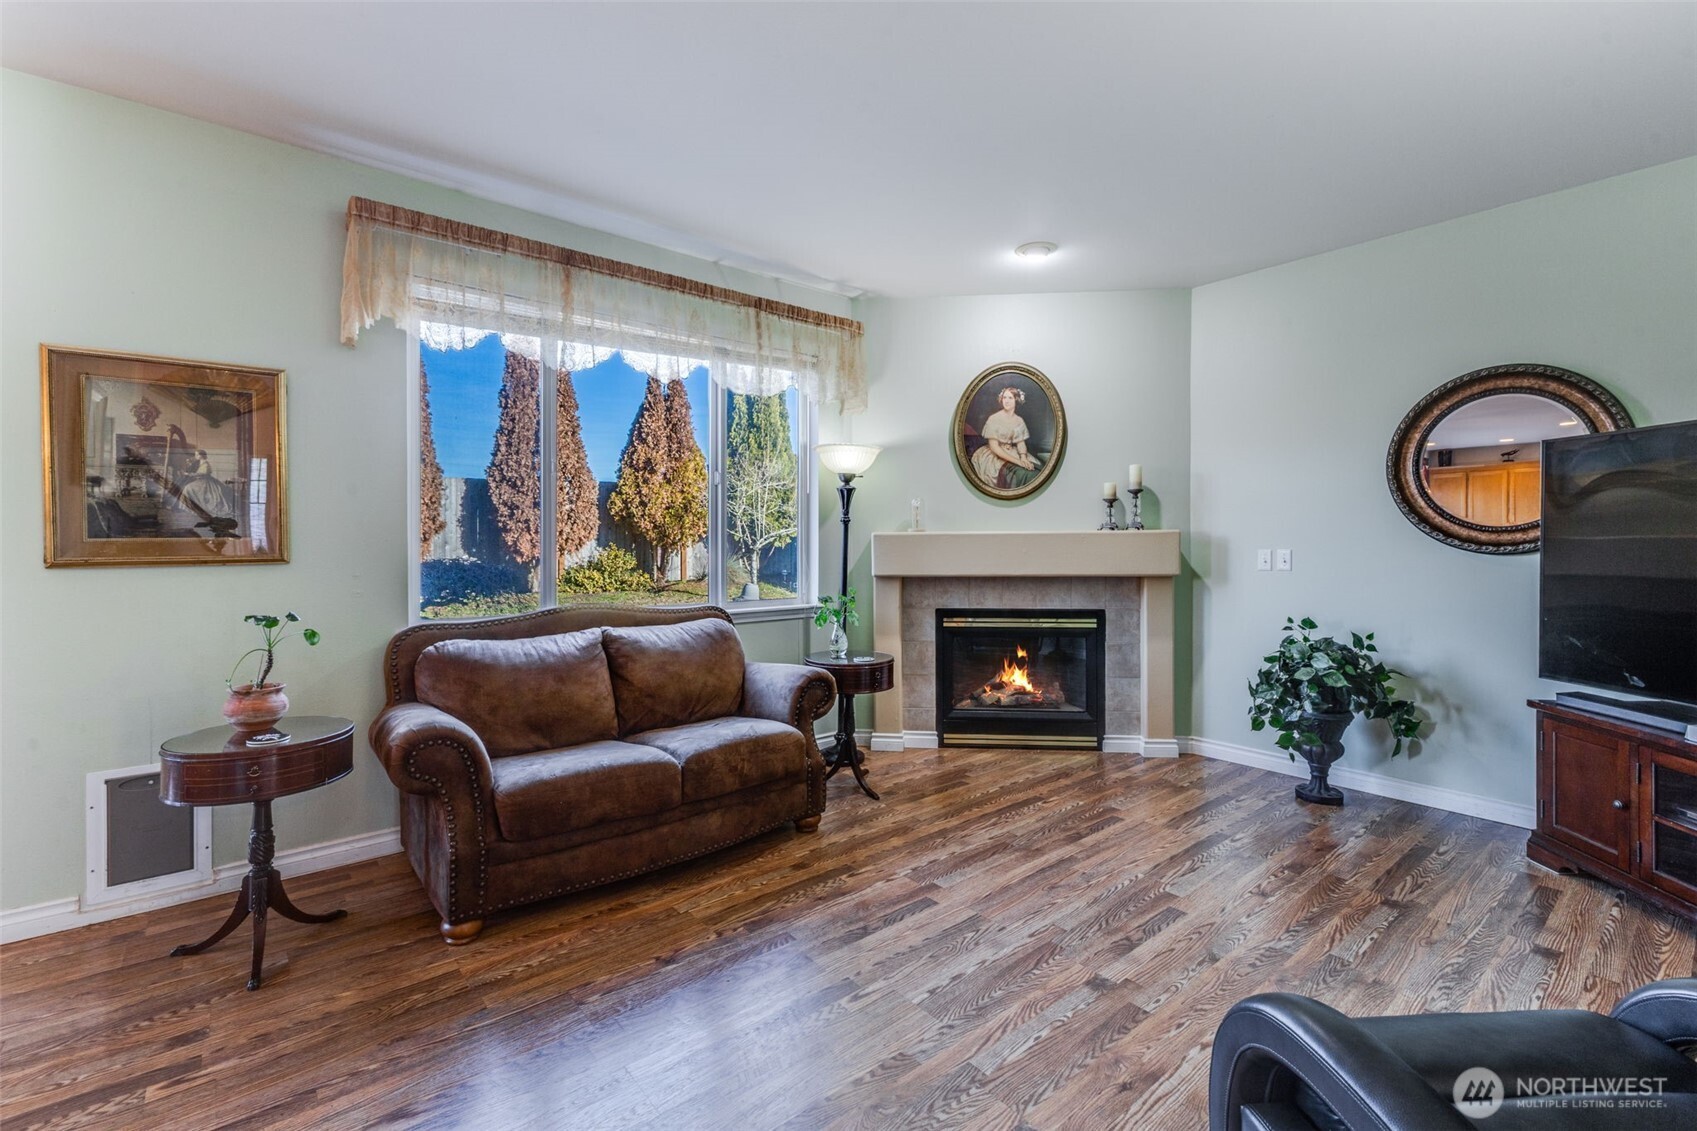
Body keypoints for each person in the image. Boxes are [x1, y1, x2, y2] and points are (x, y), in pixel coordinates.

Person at [970, 386, 1043, 489]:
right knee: (1019, 471)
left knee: (1035, 468)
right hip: (994, 454)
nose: (1006, 401)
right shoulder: (994, 419)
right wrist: (1018, 462)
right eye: (1004, 398)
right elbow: (994, 447)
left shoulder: (1019, 420)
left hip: (1011, 450)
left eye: (1010, 398)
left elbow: (1020, 442)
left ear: (1016, 400)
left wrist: (1023, 458)